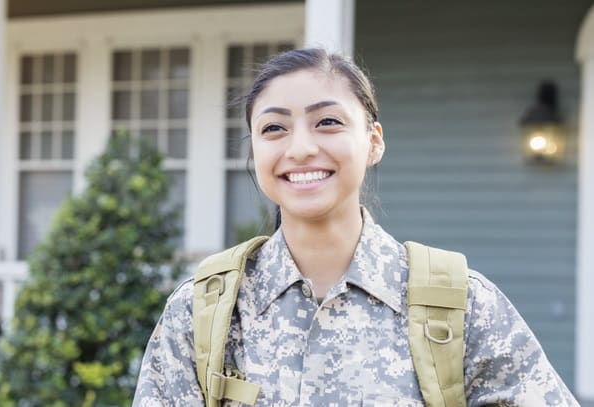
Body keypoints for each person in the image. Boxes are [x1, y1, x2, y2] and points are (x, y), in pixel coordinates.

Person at [132, 48, 578, 406]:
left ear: (374, 142)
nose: (301, 148)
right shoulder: (203, 311)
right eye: (274, 128)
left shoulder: (461, 306)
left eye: (327, 122)